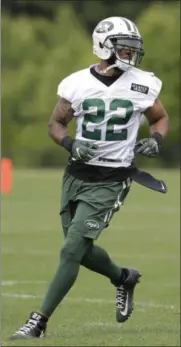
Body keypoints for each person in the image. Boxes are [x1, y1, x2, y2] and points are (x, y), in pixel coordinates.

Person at [11, 16, 169, 340]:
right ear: (104, 47)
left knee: (71, 249)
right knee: (79, 248)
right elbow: (55, 124)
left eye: (132, 49)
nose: (130, 55)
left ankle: (38, 322)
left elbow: (160, 117)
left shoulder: (142, 83)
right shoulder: (77, 84)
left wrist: (156, 139)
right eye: (124, 49)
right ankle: (123, 277)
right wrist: (70, 143)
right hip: (76, 175)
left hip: (113, 177)